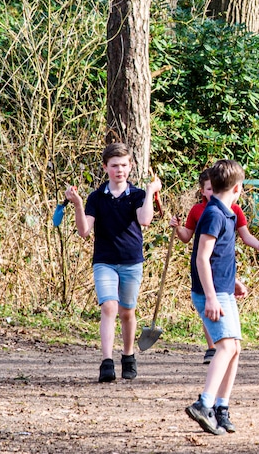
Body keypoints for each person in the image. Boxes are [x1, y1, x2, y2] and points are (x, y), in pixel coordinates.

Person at [64, 143, 161, 383]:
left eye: (124, 165)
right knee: (108, 307)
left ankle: (128, 356)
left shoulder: (137, 195)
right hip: (104, 261)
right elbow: (84, 231)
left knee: (127, 311)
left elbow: (146, 220)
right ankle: (106, 362)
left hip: (131, 261)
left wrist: (150, 192)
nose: (120, 170)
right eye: (114, 165)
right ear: (105, 167)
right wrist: (77, 204)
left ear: (131, 167)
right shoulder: (96, 197)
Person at [172, 168, 259, 364]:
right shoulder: (203, 212)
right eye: (207, 189)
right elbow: (188, 239)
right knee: (213, 310)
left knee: (233, 346)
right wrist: (178, 228)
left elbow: (245, 235)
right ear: (203, 190)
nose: (210, 192)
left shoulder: (233, 211)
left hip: (222, 274)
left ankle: (217, 356)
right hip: (206, 270)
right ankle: (212, 348)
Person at [184, 159, 247, 436]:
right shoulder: (213, 214)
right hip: (212, 294)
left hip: (223, 290)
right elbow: (202, 258)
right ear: (237, 188)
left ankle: (221, 408)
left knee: (235, 348)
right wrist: (210, 297)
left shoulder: (227, 213)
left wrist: (232, 281)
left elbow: (220, 258)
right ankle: (203, 403)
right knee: (224, 347)